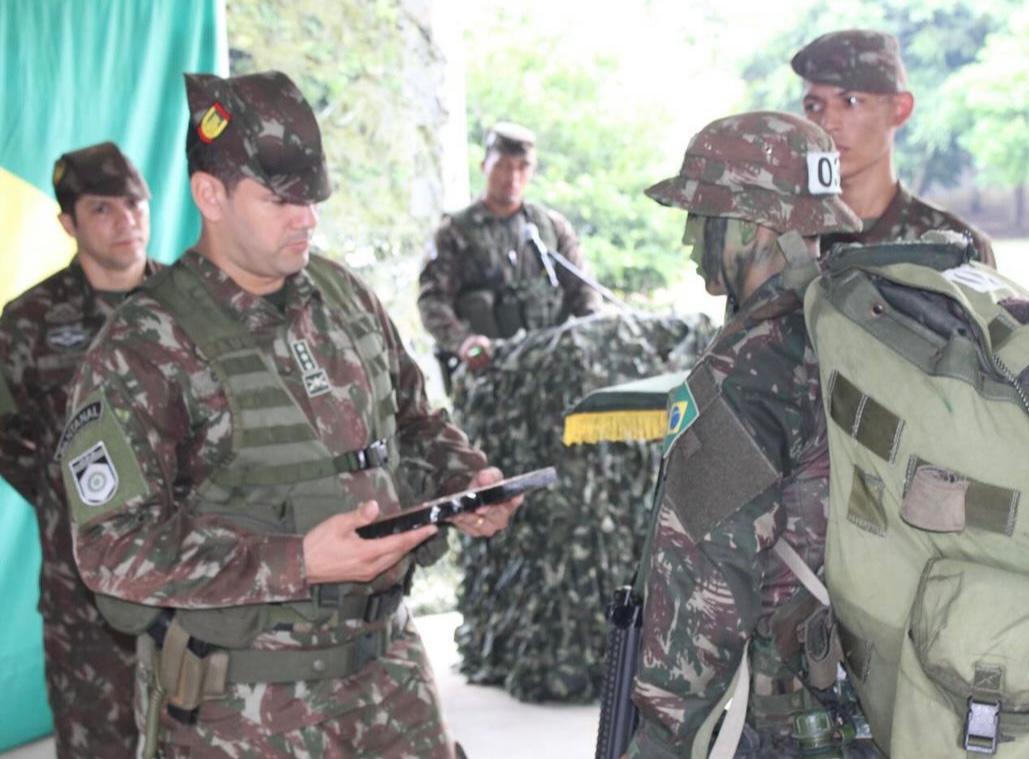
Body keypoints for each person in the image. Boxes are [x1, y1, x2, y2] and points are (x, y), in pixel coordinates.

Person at [59, 71, 522, 757]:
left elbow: (416, 420)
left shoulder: (343, 294)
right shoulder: (143, 346)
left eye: (312, 196)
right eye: (281, 199)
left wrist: (467, 479)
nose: (306, 217)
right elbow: (109, 546)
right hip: (247, 710)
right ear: (209, 195)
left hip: (391, 677)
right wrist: (296, 560)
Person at [628, 112, 876, 758]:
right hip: (882, 712)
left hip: (787, 728)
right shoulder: (863, 331)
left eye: (701, 219)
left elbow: (698, 602)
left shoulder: (743, 371)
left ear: (753, 225)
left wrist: (658, 738)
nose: (690, 242)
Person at [0, 141, 158, 758]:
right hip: (86, 597)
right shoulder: (28, 322)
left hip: (203, 586)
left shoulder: (193, 306)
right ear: (68, 223)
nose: (127, 221)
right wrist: (62, 490)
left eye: (135, 205)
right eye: (103, 210)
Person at [791, 29, 996, 265]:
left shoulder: (955, 249)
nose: (827, 122)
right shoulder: (787, 242)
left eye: (851, 102)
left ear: (900, 109)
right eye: (813, 106)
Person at [417, 121, 601, 379]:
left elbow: (584, 291)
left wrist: (592, 333)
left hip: (550, 371)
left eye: (522, 167)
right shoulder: (455, 233)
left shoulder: (550, 228)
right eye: (502, 166)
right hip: (487, 374)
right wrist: (463, 342)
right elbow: (432, 301)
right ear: (485, 167)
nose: (512, 177)